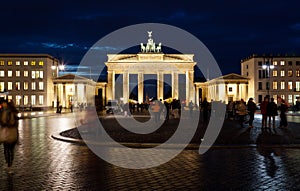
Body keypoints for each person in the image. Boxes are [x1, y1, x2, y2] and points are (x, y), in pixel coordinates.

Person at [0, 100, 19, 174]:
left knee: (7, 150)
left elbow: (7, 122)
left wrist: (4, 123)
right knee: (10, 150)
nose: (2, 104)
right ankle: (9, 165)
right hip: (12, 133)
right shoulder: (11, 112)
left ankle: (9, 165)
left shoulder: (8, 112)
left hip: (8, 133)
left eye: (3, 103)